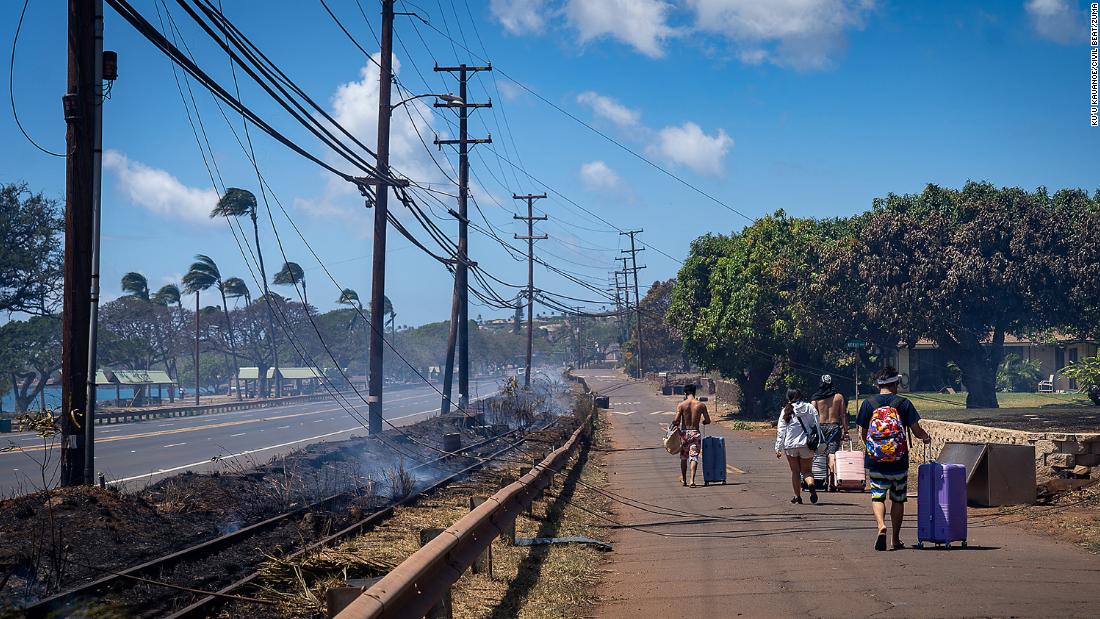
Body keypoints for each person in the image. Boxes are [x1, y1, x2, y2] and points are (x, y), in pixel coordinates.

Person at [856, 366, 932, 551]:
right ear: (895, 383)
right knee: (898, 499)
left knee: (877, 496)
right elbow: (916, 430)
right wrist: (926, 437)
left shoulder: (868, 403)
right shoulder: (903, 403)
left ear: (878, 384)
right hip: (899, 460)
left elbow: (863, 433)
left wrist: (874, 448)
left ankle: (881, 526)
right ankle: (896, 539)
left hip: (876, 461)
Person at [774, 388, 823, 504]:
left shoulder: (786, 410)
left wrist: (778, 448)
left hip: (790, 445)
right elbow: (816, 424)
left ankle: (797, 496)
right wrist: (819, 440)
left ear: (788, 397)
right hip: (806, 444)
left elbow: (781, 431)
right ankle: (810, 485)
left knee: (795, 472)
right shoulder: (810, 408)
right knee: (807, 471)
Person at [811, 374, 848, 490]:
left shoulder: (816, 398)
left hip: (820, 428)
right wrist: (846, 431)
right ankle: (832, 481)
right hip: (834, 427)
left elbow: (813, 415)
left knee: (820, 454)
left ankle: (820, 480)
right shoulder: (839, 397)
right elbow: (843, 414)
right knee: (832, 454)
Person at [672, 383, 711, 487]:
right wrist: (703, 422)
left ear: (685, 393)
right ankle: (692, 480)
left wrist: (675, 423)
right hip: (695, 433)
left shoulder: (681, 405)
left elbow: (676, 421)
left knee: (684, 457)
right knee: (694, 457)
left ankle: (684, 480)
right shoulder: (701, 405)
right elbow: (708, 420)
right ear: (694, 392)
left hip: (684, 434)